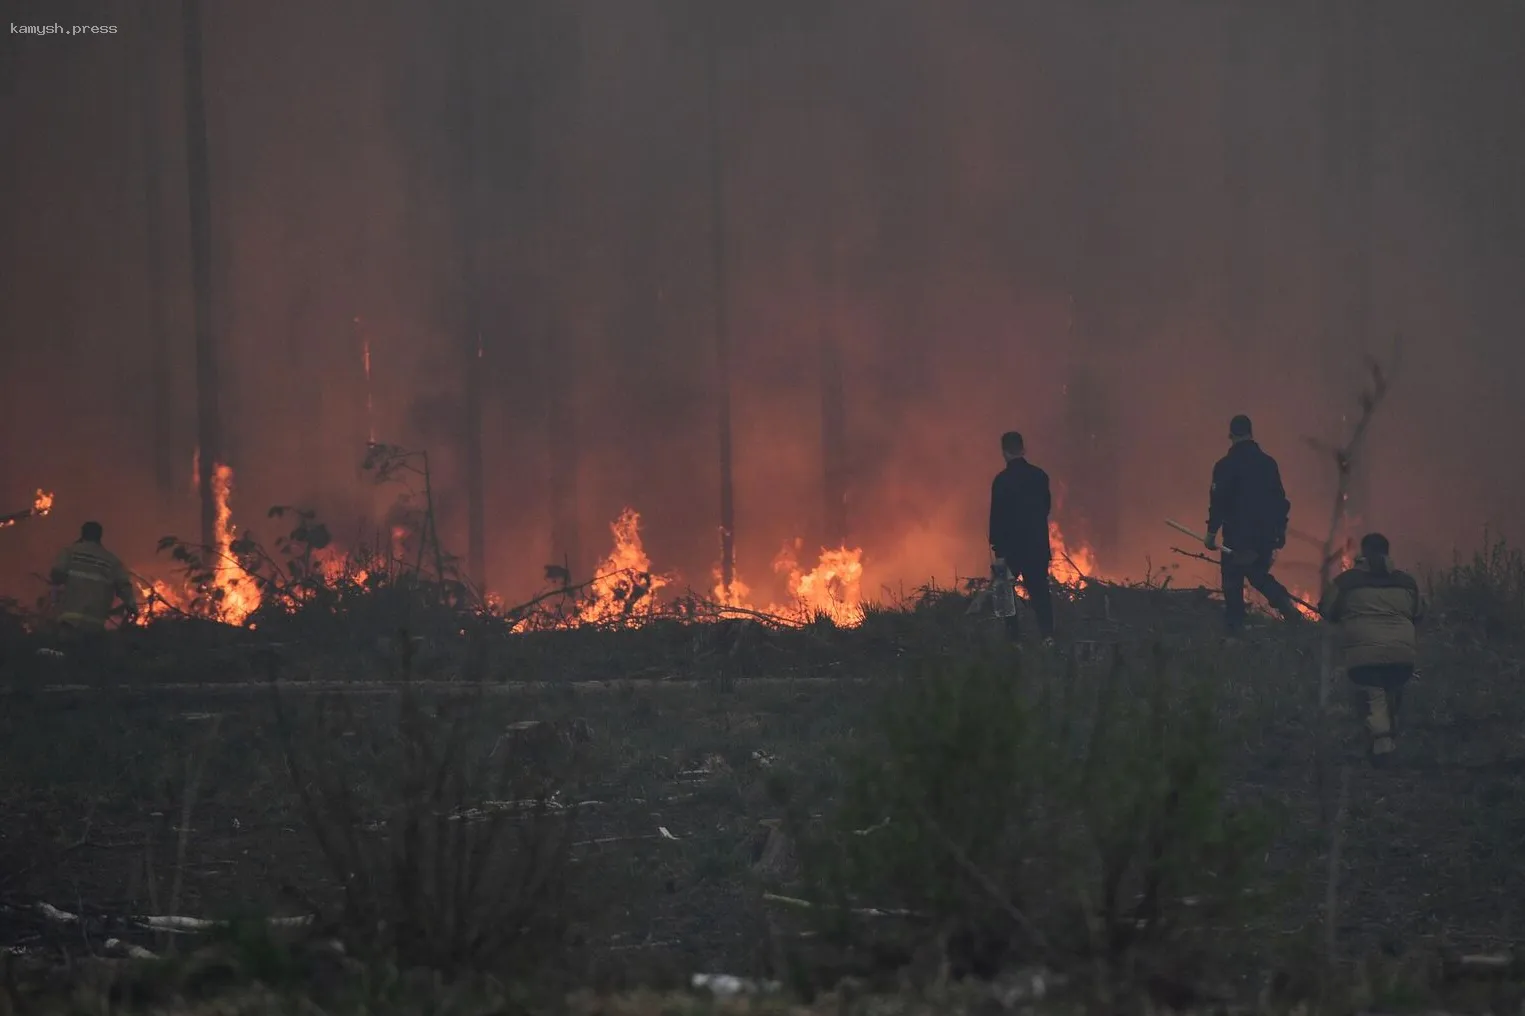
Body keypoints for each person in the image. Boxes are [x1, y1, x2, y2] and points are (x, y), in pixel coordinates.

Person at [1318, 533, 1423, 761]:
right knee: (1391, 690)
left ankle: (1382, 744)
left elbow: (1327, 608)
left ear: (1363, 552)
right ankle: (1388, 735)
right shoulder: (1406, 582)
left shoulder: (1346, 582)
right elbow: (1419, 612)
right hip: (1402, 655)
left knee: (1373, 694)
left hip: (1363, 656)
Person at [1203, 414, 1299, 631]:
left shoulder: (1225, 466)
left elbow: (1218, 502)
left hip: (1238, 535)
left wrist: (1211, 533)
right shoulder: (1268, 464)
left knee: (1232, 579)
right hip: (1265, 535)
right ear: (1251, 433)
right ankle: (1286, 606)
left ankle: (1235, 629)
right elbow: (1280, 501)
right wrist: (1279, 532)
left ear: (1231, 435)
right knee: (1257, 574)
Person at [989, 430, 1055, 645]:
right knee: (1040, 594)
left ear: (1004, 452)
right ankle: (1048, 637)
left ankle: (1013, 640)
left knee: (1004, 594)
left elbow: (997, 518)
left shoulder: (1001, 481)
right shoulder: (1040, 476)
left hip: (1010, 550)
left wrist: (998, 551)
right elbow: (1046, 508)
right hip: (1037, 547)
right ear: (1023, 449)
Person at [49, 521, 137, 631]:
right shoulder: (112, 561)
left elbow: (56, 576)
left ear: (82, 534)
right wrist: (132, 606)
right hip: (95, 622)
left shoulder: (69, 552)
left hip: (69, 620)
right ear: (100, 536)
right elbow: (124, 587)